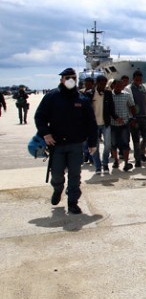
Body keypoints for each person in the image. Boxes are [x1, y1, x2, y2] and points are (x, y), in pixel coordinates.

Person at [34, 68, 98, 214]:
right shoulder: (52, 97)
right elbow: (40, 117)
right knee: (56, 174)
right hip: (57, 144)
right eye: (68, 77)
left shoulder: (82, 99)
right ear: (62, 79)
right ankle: (58, 189)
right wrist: (46, 134)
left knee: (75, 174)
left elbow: (91, 122)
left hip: (76, 144)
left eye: (73, 78)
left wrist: (92, 143)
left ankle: (73, 202)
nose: (71, 80)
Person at [90, 75, 118, 175]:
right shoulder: (90, 94)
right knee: (95, 147)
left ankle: (105, 164)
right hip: (94, 125)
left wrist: (116, 118)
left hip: (106, 124)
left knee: (107, 145)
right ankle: (97, 166)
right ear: (96, 83)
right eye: (101, 84)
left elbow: (111, 109)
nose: (103, 86)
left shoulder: (108, 93)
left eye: (105, 84)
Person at [125, 71, 146, 168]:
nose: (139, 81)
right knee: (136, 140)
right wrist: (131, 117)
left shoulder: (143, 87)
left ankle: (141, 152)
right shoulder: (128, 89)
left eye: (140, 80)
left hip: (144, 116)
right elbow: (128, 105)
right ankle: (137, 160)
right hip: (134, 118)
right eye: (137, 80)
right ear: (133, 79)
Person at [110, 79, 136, 172]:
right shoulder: (109, 96)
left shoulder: (127, 95)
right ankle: (116, 161)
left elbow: (132, 106)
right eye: (117, 85)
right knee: (113, 144)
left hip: (124, 124)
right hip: (112, 124)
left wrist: (133, 118)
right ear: (113, 85)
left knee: (125, 143)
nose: (119, 87)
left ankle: (126, 163)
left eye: (121, 86)